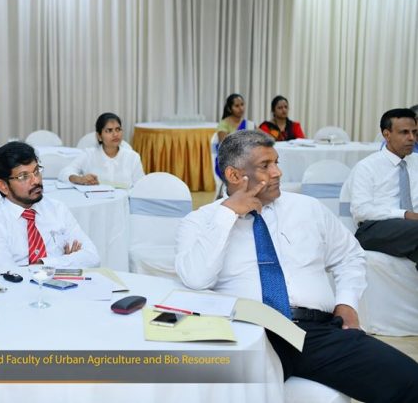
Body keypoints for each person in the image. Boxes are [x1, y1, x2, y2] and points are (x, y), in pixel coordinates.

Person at [175, 130, 418, 402]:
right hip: (248, 334)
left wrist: (347, 303)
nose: (277, 172)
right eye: (265, 165)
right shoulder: (201, 221)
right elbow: (196, 278)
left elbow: (349, 256)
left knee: (410, 381)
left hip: (314, 333)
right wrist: (227, 214)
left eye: (277, 162)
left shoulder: (308, 208)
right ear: (233, 175)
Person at [0, 141, 100, 268]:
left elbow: (92, 257)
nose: (36, 180)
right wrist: (66, 262)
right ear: (3, 186)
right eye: (23, 176)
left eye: (36, 171)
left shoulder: (57, 209)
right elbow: (9, 276)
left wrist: (44, 264)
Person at [350, 108, 418, 269]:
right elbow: (360, 211)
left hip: (411, 229)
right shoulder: (367, 167)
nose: (412, 138)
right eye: (404, 132)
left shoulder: (416, 162)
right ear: (387, 134)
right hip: (374, 228)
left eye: (414, 132)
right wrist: (405, 214)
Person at [58, 112, 145, 188]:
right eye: (109, 130)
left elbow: (141, 186)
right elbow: (64, 173)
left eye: (118, 129)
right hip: (94, 200)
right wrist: (80, 179)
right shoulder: (89, 154)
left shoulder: (133, 157)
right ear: (99, 136)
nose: (115, 134)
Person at [214, 94, 254, 179]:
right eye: (237, 106)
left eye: (242, 104)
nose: (241, 108)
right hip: (228, 160)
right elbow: (224, 145)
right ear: (229, 108)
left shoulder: (248, 124)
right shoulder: (224, 124)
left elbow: (264, 137)